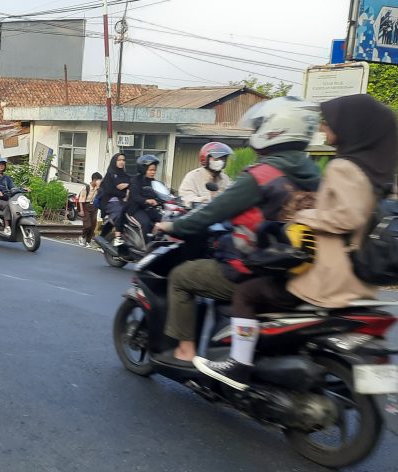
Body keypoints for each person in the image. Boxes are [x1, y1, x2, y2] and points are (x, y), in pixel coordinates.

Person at [197, 94, 398, 390]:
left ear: (351, 128)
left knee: (247, 293)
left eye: (330, 123)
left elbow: (346, 216)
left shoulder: (344, 167)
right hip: (357, 278)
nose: (324, 128)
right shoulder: (378, 172)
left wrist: (303, 218)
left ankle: (238, 364)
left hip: (328, 276)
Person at [151, 97, 321, 367]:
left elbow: (211, 213)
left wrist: (172, 225)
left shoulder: (260, 175)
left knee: (182, 276)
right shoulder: (314, 173)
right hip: (300, 268)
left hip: (257, 265)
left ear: (274, 130)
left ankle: (184, 351)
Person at [179, 142, 233, 207]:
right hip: (198, 215)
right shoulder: (192, 176)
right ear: (205, 158)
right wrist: (205, 201)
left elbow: (232, 197)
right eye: (216, 158)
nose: (220, 161)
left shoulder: (225, 179)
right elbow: (186, 199)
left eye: (223, 159)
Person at [124, 155, 162, 237]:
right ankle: (146, 246)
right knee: (146, 223)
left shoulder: (153, 182)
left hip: (148, 208)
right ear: (144, 169)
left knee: (163, 220)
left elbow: (159, 194)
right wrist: (147, 200)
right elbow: (135, 197)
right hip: (135, 209)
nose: (153, 172)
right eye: (151, 170)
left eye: (154, 170)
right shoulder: (135, 181)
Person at [99, 153, 130, 245]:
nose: (122, 162)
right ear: (114, 161)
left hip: (123, 200)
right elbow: (109, 190)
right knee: (119, 212)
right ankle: (118, 238)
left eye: (123, 160)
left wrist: (128, 185)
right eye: (119, 160)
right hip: (110, 200)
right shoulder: (110, 174)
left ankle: (102, 237)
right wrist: (124, 193)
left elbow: (133, 183)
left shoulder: (125, 175)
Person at [78, 172, 103, 247]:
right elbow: (81, 200)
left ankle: (88, 241)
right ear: (94, 180)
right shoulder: (86, 188)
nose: (100, 182)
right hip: (86, 206)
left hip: (94, 207)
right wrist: (81, 210)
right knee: (87, 225)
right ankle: (82, 237)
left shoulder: (98, 188)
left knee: (93, 225)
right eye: (99, 180)